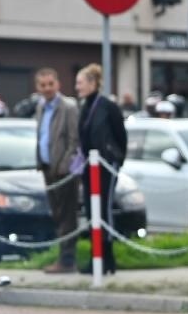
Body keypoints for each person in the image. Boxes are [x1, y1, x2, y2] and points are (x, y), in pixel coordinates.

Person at [74, 63, 127, 276]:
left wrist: (116, 158)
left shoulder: (107, 106)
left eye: (81, 82)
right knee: (91, 209)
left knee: (104, 209)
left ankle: (107, 256)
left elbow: (120, 135)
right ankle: (98, 258)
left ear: (93, 83)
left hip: (105, 164)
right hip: (89, 166)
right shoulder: (84, 106)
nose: (77, 87)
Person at [32, 67, 81, 273]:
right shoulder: (41, 107)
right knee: (58, 215)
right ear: (38, 87)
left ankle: (67, 260)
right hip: (47, 168)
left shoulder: (68, 107)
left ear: (58, 84)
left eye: (50, 84)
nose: (47, 89)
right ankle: (62, 257)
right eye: (43, 85)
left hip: (64, 171)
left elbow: (74, 140)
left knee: (67, 215)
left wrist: (64, 166)